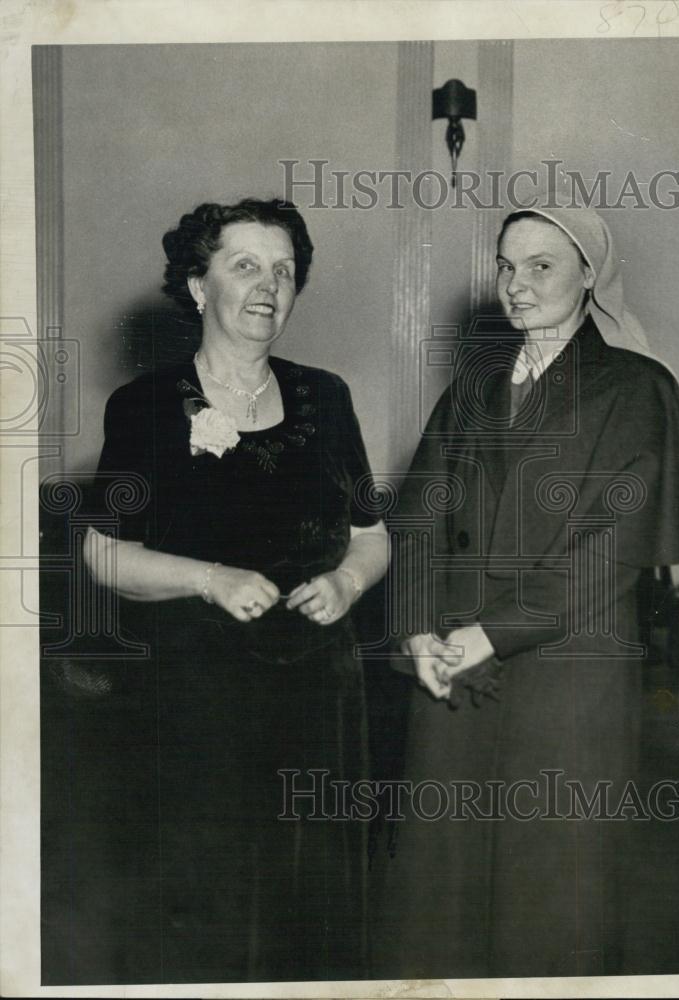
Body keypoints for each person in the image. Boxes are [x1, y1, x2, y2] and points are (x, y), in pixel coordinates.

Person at [373, 200, 679, 978]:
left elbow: (612, 550)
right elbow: (418, 517)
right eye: (505, 266)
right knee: (439, 881)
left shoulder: (637, 388)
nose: (515, 285)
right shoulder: (472, 386)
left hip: (570, 665)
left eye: (540, 266)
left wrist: (492, 632)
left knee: (553, 883)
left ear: (590, 276)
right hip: (452, 660)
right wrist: (421, 628)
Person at [83, 198, 388, 982]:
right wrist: (208, 578)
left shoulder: (327, 396)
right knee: (202, 901)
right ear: (196, 284)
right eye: (245, 265)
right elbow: (102, 553)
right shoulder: (147, 405)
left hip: (320, 696)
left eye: (284, 271)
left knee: (311, 901)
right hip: (195, 697)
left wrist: (349, 583)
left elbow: (370, 534)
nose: (269, 286)